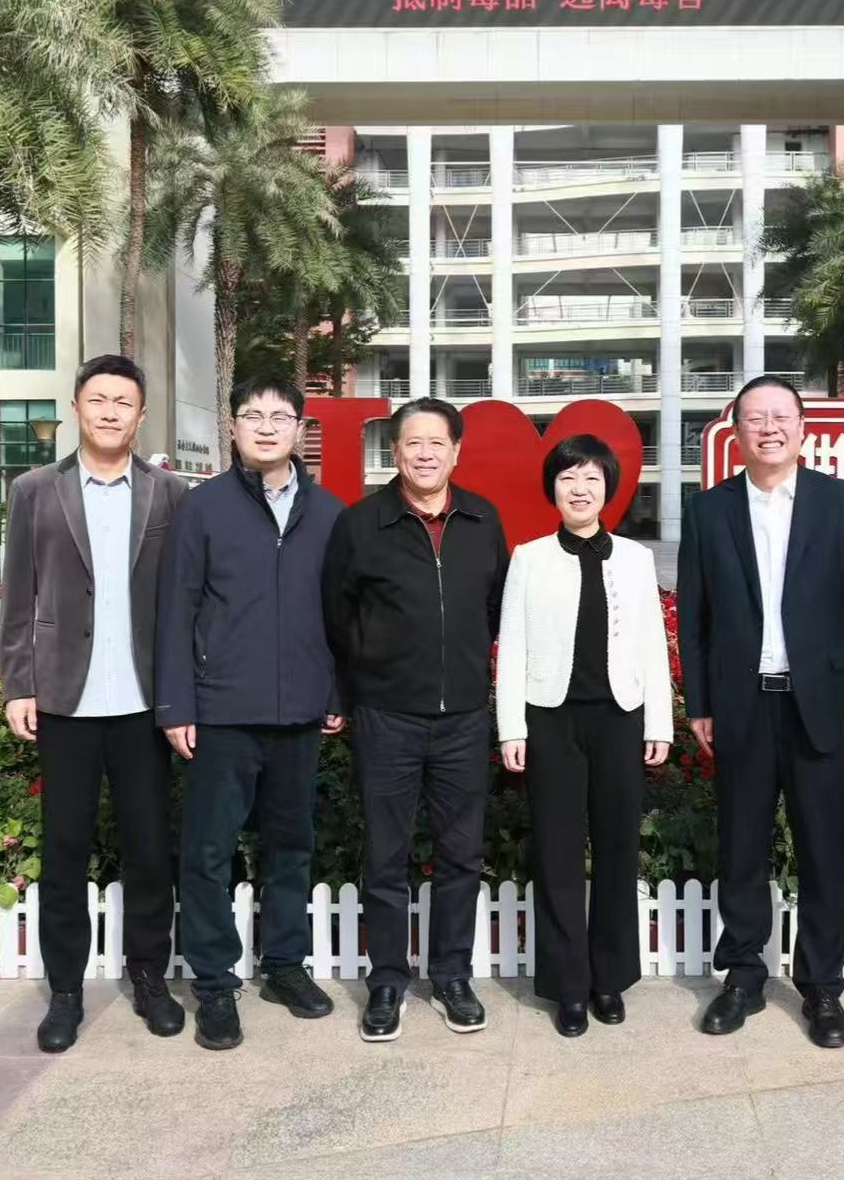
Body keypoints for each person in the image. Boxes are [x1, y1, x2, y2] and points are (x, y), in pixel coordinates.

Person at [677, 375, 844, 1048]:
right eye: (755, 418)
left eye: (780, 417)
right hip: (741, 704)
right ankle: (743, 976)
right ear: (735, 430)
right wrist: (700, 702)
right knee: (741, 847)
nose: (768, 428)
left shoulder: (841, 503)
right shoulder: (709, 511)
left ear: (802, 428)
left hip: (821, 706)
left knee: (822, 850)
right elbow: (694, 618)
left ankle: (822, 986)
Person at [0, 354, 189, 1054]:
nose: (110, 412)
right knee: (64, 849)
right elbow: (18, 595)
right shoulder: (34, 491)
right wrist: (18, 683)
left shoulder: (170, 494)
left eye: (123, 402)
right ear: (77, 408)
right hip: (64, 699)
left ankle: (150, 977)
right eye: (98, 399)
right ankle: (66, 993)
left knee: (149, 848)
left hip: (143, 702)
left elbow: (185, 601)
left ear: (142, 416)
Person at [155, 377, 344, 1051]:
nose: (266, 426)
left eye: (280, 416)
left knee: (291, 846)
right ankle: (213, 982)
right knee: (208, 852)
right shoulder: (202, 507)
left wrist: (335, 692)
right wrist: (176, 702)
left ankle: (285, 964)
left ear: (300, 428)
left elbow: (343, 614)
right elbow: (177, 608)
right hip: (221, 710)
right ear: (233, 427)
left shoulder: (330, 513)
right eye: (253, 415)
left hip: (300, 713)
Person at [322, 397, 509, 1042]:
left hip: (464, 719)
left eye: (437, 443)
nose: (425, 453)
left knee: (461, 854)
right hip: (386, 718)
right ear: (395, 451)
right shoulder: (361, 524)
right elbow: (337, 618)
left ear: (456, 451)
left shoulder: (483, 519)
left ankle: (452, 975)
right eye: (412, 443)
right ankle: (387, 981)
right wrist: (350, 693)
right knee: (386, 855)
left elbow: (494, 608)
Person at [496, 435, 673, 1037]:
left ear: (608, 489)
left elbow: (653, 642)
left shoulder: (635, 558)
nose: (580, 489)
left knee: (619, 849)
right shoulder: (529, 557)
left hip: (621, 717)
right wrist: (511, 727)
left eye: (592, 478)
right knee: (558, 852)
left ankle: (609, 979)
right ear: (553, 487)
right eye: (569, 478)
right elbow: (512, 646)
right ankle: (568, 986)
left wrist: (659, 722)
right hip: (551, 718)